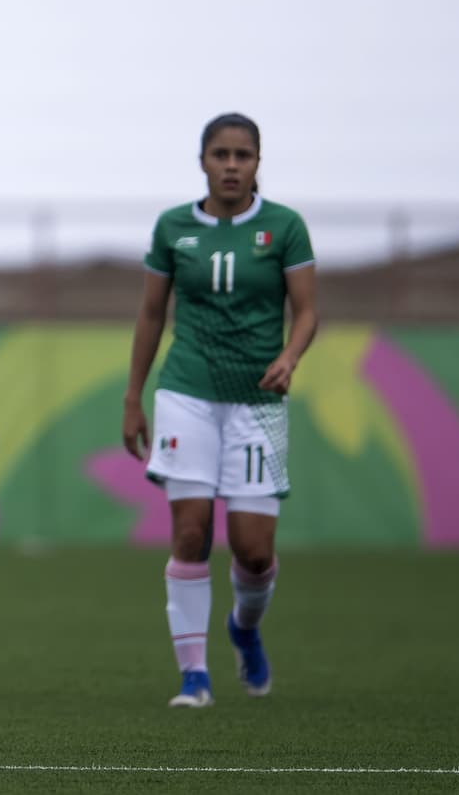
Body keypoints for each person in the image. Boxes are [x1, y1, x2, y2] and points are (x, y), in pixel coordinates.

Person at [121, 113, 318, 708]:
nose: (232, 165)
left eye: (243, 155)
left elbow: (307, 312)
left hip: (258, 399)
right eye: (221, 154)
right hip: (187, 393)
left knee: (254, 552)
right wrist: (134, 396)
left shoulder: (284, 227)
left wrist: (290, 357)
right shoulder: (174, 228)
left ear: (258, 163)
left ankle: (244, 629)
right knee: (191, 531)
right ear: (202, 160)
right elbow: (153, 314)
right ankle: (194, 676)